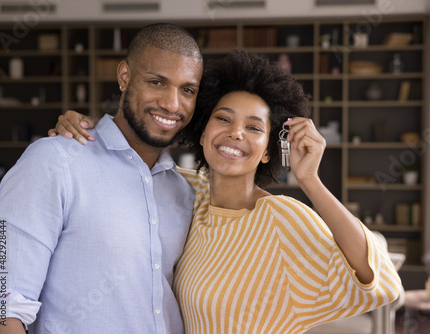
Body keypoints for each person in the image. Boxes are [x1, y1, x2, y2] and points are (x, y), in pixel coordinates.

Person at [50, 49, 402, 333]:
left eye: (253, 127)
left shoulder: (280, 218)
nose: (236, 133)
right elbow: (123, 165)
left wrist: (311, 180)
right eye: (224, 119)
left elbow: (381, 279)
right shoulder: (183, 190)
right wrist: (84, 133)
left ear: (267, 150)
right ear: (202, 133)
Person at [0, 23, 203, 334]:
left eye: (187, 90)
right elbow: (2, 305)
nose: (173, 104)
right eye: (157, 82)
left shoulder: (185, 191)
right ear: (124, 76)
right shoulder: (55, 161)